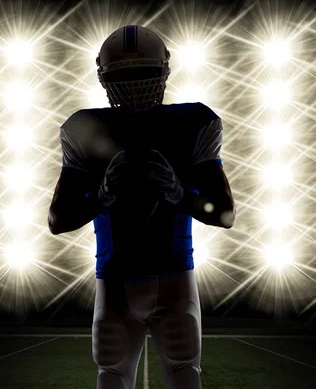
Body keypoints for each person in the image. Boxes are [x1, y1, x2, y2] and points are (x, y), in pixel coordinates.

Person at [48, 24, 235, 389]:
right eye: (126, 75)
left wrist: (177, 193)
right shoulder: (190, 123)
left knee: (142, 373)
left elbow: (225, 215)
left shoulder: (88, 127)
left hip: (149, 278)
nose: (134, 84)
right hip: (137, 280)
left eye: (142, 73)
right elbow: (57, 221)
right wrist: (102, 195)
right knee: (133, 373)